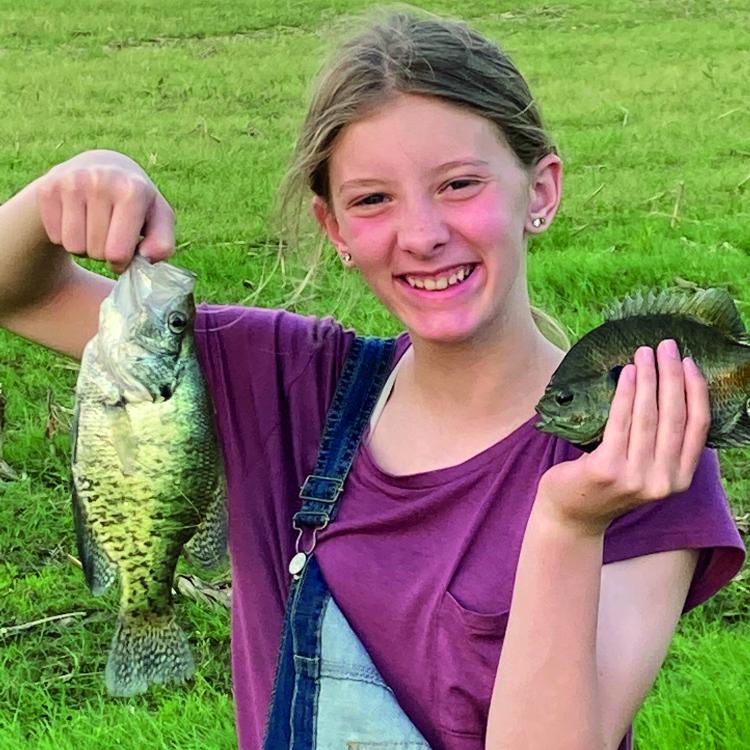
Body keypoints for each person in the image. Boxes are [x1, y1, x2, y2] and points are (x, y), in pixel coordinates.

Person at [0, 10, 744, 750]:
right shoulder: (286, 380)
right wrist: (81, 179)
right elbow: (21, 293)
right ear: (335, 231)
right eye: (372, 199)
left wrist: (566, 525)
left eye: (458, 184)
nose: (421, 234)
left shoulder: (644, 451)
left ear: (540, 192)